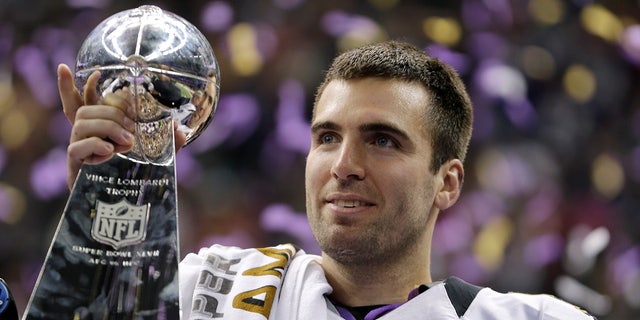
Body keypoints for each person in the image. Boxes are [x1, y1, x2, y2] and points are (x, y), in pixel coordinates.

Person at [58, 40, 595, 319]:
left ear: (447, 182)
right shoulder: (211, 291)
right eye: (327, 137)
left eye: (382, 139)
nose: (344, 165)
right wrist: (105, 224)